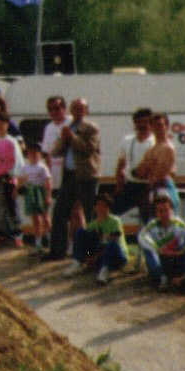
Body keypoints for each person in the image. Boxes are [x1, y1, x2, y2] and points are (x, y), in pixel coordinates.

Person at [47, 98, 102, 262]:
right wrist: (64, 139)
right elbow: (56, 152)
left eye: (81, 108)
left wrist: (72, 138)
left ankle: (92, 254)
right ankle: (57, 252)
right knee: (59, 212)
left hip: (87, 176)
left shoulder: (91, 127)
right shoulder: (68, 128)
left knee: (90, 214)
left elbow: (88, 149)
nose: (77, 111)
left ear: (86, 110)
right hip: (69, 175)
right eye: (75, 108)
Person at [139, 192, 185, 290]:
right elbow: (142, 237)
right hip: (163, 261)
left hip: (178, 258)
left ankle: (183, 278)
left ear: (171, 210)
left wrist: (184, 249)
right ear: (156, 213)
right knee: (148, 249)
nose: (163, 214)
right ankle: (161, 278)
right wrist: (158, 249)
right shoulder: (152, 226)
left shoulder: (179, 223)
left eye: (166, 210)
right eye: (160, 211)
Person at [111, 109, 158, 221]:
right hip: (130, 186)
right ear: (135, 123)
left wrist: (153, 187)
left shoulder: (155, 142)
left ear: (151, 123)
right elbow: (121, 164)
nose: (142, 125)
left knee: (149, 221)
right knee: (110, 214)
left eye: (146, 121)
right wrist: (119, 184)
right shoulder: (127, 140)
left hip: (148, 187)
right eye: (139, 122)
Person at [70, 194, 128, 284]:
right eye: (99, 205)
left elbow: (114, 239)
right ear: (95, 208)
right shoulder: (92, 224)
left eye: (105, 206)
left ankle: (104, 272)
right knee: (81, 232)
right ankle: (77, 262)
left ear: (109, 208)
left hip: (116, 255)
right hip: (101, 256)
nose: (101, 208)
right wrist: (89, 257)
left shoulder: (114, 221)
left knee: (111, 245)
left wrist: (95, 257)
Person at [17, 144, 52, 251]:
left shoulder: (42, 167)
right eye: (31, 153)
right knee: (35, 219)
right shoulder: (25, 168)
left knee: (45, 217)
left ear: (40, 155)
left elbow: (48, 183)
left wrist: (48, 196)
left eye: (36, 153)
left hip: (40, 192)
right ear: (27, 155)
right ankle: (38, 243)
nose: (33, 155)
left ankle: (51, 239)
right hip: (30, 193)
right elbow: (20, 180)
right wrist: (16, 190)